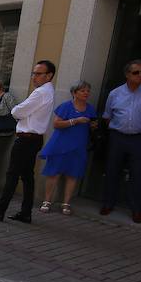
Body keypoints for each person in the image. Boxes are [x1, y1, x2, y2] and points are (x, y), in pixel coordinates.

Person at [0, 60, 56, 223]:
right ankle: (25, 212)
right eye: (33, 73)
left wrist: (17, 111)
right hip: (33, 139)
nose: (34, 77)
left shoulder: (40, 92)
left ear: (49, 76)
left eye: (38, 74)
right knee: (27, 176)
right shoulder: (47, 91)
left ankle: (0, 210)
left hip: (26, 139)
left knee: (13, 174)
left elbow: (17, 111)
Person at [100, 59, 141, 223]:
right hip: (118, 137)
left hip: (139, 139)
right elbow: (108, 116)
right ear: (127, 74)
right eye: (136, 72)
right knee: (112, 171)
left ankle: (136, 209)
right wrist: (120, 128)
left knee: (137, 174)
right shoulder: (115, 93)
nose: (140, 75)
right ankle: (108, 203)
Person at [37, 80, 97, 216]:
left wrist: (93, 126)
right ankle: (47, 201)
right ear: (74, 93)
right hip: (61, 145)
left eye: (88, 91)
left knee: (73, 174)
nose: (86, 93)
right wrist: (75, 121)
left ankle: (66, 203)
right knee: (54, 173)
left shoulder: (91, 109)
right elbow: (56, 124)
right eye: (83, 90)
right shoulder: (65, 106)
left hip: (79, 145)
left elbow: (93, 124)